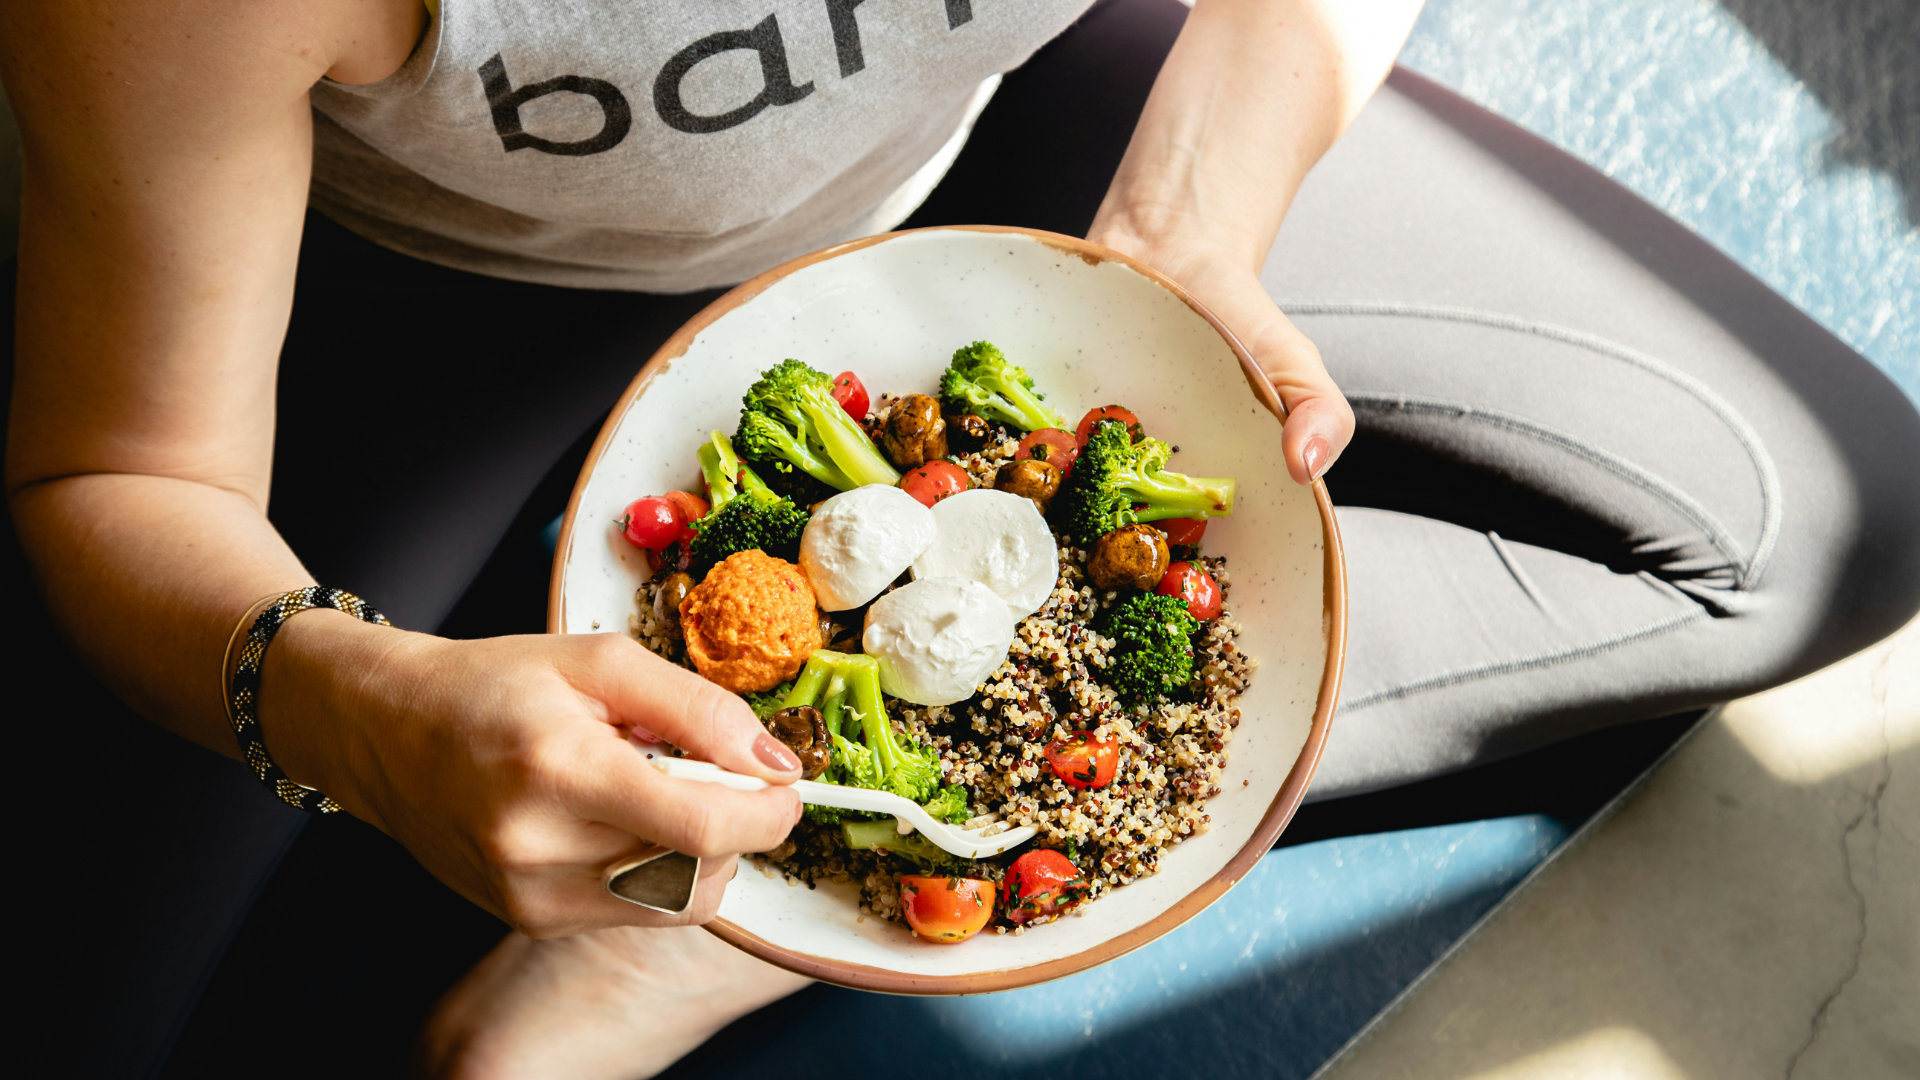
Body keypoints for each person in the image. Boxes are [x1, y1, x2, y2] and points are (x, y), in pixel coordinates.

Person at [5, 0, 1917, 1075]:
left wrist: (1192, 228)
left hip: (1025, 153)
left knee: (1819, 523)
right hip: (444, 295)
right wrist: (358, 712)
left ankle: (712, 936)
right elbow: (120, 477)